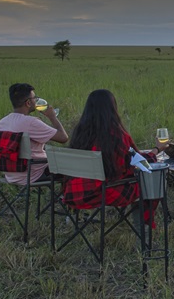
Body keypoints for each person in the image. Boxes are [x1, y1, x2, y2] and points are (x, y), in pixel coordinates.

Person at [62, 89, 168, 222]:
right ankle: (143, 230)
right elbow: (137, 163)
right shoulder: (116, 135)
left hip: (73, 192)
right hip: (103, 192)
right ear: (112, 108)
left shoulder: (80, 133)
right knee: (149, 183)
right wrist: (156, 150)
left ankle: (77, 217)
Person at [0, 83, 69, 184]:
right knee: (74, 167)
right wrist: (52, 117)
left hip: (11, 175)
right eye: (35, 98)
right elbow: (63, 138)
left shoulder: (2, 122)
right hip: (33, 174)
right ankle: (68, 199)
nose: (37, 100)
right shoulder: (31, 122)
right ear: (28, 103)